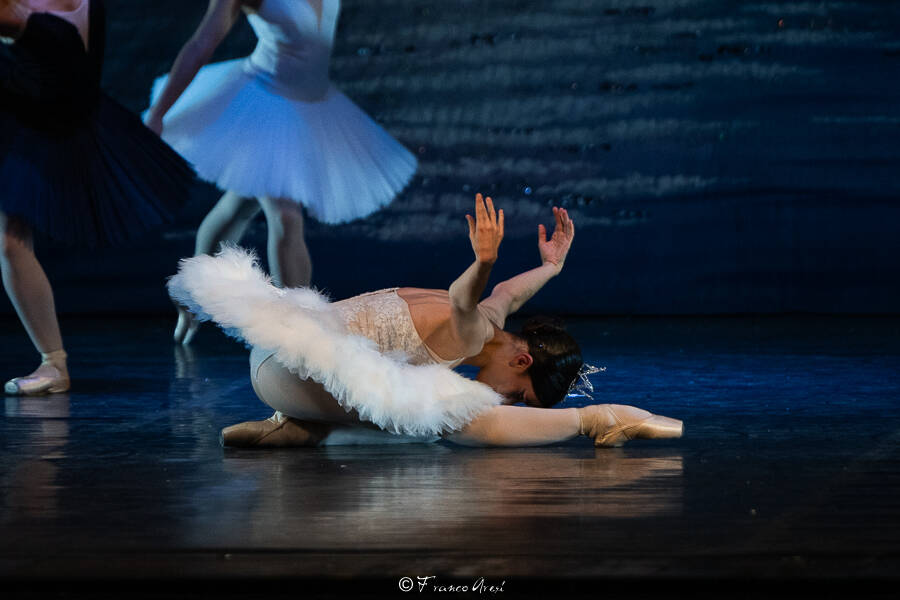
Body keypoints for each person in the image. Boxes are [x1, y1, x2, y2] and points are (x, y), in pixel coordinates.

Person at [168, 194, 683, 448]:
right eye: (519, 394)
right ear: (521, 360)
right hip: (288, 370)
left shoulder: (495, 320)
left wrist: (551, 266)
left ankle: (305, 423)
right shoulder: (475, 329)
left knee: (415, 391)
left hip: (280, 354)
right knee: (448, 414)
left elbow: (505, 292)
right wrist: (481, 262)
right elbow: (466, 298)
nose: (507, 398)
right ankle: (597, 419)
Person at [144, 0, 417, 345]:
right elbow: (201, 45)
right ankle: (298, 335)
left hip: (311, 110)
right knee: (286, 217)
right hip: (264, 106)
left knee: (237, 207)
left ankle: (188, 295)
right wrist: (159, 112)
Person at [1, 0, 193, 395]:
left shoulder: (28, 11)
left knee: (10, 243)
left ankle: (54, 363)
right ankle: (53, 363)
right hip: (43, 125)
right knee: (11, 242)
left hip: (50, 130)